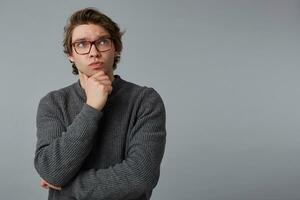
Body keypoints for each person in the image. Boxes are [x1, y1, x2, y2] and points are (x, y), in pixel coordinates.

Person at [34, 7, 166, 200]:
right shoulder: (53, 103)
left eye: (102, 42)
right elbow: (51, 170)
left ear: (116, 47)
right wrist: (92, 107)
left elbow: (141, 177)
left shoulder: (145, 100)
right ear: (70, 54)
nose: (93, 52)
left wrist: (66, 187)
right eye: (81, 44)